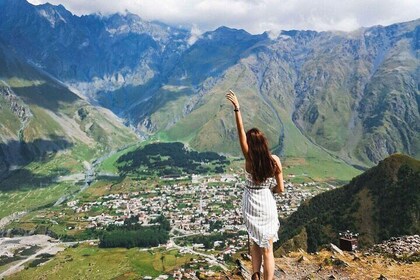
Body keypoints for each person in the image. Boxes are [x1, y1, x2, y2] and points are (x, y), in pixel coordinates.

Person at [226, 90, 284, 280]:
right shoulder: (274, 161)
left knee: (254, 241)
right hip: (266, 203)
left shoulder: (249, 159)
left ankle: (255, 274)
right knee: (268, 249)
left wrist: (237, 109)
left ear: (251, 144)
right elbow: (280, 189)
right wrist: (271, 191)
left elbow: (240, 132)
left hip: (251, 202)